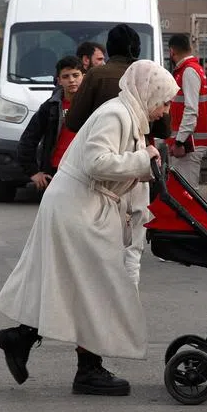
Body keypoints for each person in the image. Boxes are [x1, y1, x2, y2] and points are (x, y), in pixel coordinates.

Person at [0, 60, 177, 396]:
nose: (165, 111)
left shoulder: (129, 117)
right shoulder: (115, 114)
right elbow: (97, 162)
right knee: (97, 286)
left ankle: (24, 337)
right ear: (149, 94)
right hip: (79, 206)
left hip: (83, 205)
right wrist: (142, 161)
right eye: (164, 102)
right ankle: (86, 369)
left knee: (76, 285)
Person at [64, 23, 164, 285]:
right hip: (139, 164)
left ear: (109, 48)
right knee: (131, 246)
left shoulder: (98, 76)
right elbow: (165, 126)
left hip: (106, 175)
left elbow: (73, 122)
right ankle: (124, 299)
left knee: (103, 240)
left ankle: (111, 299)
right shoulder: (146, 75)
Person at [17, 56, 84, 196]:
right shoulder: (50, 108)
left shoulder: (93, 105)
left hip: (84, 171)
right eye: (66, 76)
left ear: (84, 76)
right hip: (56, 172)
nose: (71, 80)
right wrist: (33, 172)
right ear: (59, 80)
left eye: (75, 75)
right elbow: (27, 141)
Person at [167, 33, 207, 189]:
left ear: (172, 51)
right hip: (190, 142)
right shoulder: (193, 70)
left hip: (188, 145)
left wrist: (180, 141)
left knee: (186, 194)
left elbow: (191, 109)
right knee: (183, 192)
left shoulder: (188, 71)